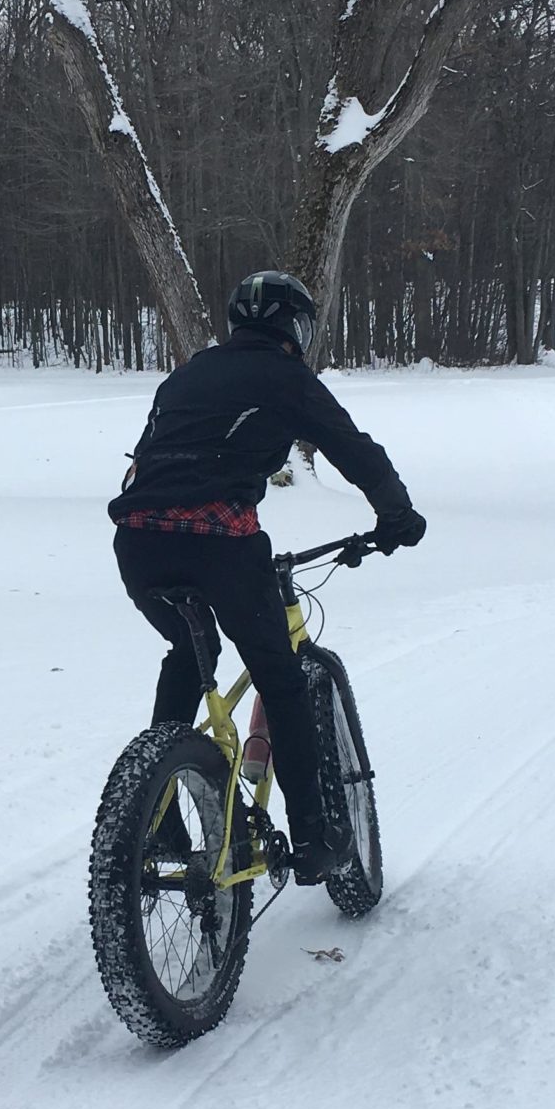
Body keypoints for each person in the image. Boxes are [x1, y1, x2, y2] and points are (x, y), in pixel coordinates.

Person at [109, 271, 425, 882]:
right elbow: (354, 449)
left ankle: (159, 813)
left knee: (185, 648)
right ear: (296, 328)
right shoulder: (287, 377)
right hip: (221, 544)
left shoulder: (189, 372)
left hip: (138, 542)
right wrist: (397, 515)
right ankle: (315, 840)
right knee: (280, 680)